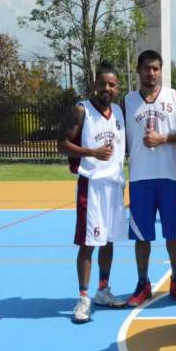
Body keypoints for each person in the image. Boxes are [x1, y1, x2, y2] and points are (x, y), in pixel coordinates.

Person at [58, 62, 127, 323]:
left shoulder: (119, 111)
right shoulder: (81, 110)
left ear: (117, 88)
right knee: (88, 244)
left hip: (114, 185)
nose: (106, 88)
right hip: (92, 184)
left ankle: (102, 290)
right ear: (94, 85)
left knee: (108, 240)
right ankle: (84, 297)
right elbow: (61, 144)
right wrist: (91, 152)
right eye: (102, 84)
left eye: (112, 84)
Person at [123, 50, 176, 307]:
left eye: (155, 68)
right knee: (142, 236)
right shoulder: (127, 101)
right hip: (141, 177)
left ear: (160, 70)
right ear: (138, 71)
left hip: (170, 176)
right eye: (146, 69)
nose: (151, 73)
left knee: (174, 234)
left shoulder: (174, 96)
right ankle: (143, 283)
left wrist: (163, 139)